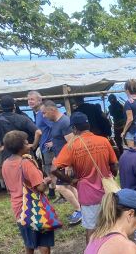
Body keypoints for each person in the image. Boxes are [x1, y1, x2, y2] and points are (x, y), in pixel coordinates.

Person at [0, 130, 61, 254]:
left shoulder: (6, 163)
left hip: (17, 206)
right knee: (43, 237)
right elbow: (40, 187)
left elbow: (9, 187)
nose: (29, 144)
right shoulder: (26, 163)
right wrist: (47, 179)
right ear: (20, 147)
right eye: (26, 142)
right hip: (33, 206)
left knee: (28, 234)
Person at [52, 112, 119, 243]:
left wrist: (71, 181)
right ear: (88, 125)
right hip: (108, 190)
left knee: (92, 228)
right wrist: (111, 175)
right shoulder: (103, 141)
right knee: (112, 225)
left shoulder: (71, 146)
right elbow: (115, 165)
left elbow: (54, 169)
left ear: (74, 128)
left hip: (88, 193)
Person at [0, 95, 41, 186]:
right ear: (14, 106)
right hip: (24, 152)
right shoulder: (23, 118)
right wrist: (34, 145)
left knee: (13, 182)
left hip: (8, 155)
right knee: (31, 180)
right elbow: (38, 132)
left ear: (1, 107)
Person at [40, 100, 83, 225]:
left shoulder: (64, 122)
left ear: (52, 110)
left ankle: (79, 210)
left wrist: (69, 163)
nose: (43, 116)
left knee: (60, 187)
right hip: (61, 160)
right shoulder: (56, 123)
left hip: (66, 162)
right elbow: (60, 140)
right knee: (69, 186)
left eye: (44, 113)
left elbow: (72, 143)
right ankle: (81, 208)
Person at [27, 91, 55, 198]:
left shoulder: (43, 114)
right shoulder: (38, 114)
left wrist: (53, 141)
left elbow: (54, 125)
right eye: (29, 100)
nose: (30, 101)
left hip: (49, 148)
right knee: (48, 170)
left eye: (32, 99)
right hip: (43, 147)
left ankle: (60, 193)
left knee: (53, 170)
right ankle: (52, 192)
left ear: (40, 100)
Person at [121, 79, 136, 146]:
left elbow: (130, 119)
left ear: (127, 90)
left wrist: (124, 131)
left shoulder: (128, 103)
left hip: (132, 132)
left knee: (132, 152)